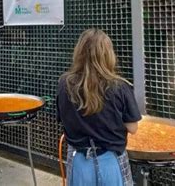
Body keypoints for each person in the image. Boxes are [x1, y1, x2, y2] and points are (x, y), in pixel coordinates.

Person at [57, 29, 142, 186]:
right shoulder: (120, 87)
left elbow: (62, 118)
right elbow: (133, 128)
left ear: (78, 53)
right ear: (108, 55)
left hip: (78, 161)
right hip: (111, 162)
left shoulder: (64, 83)